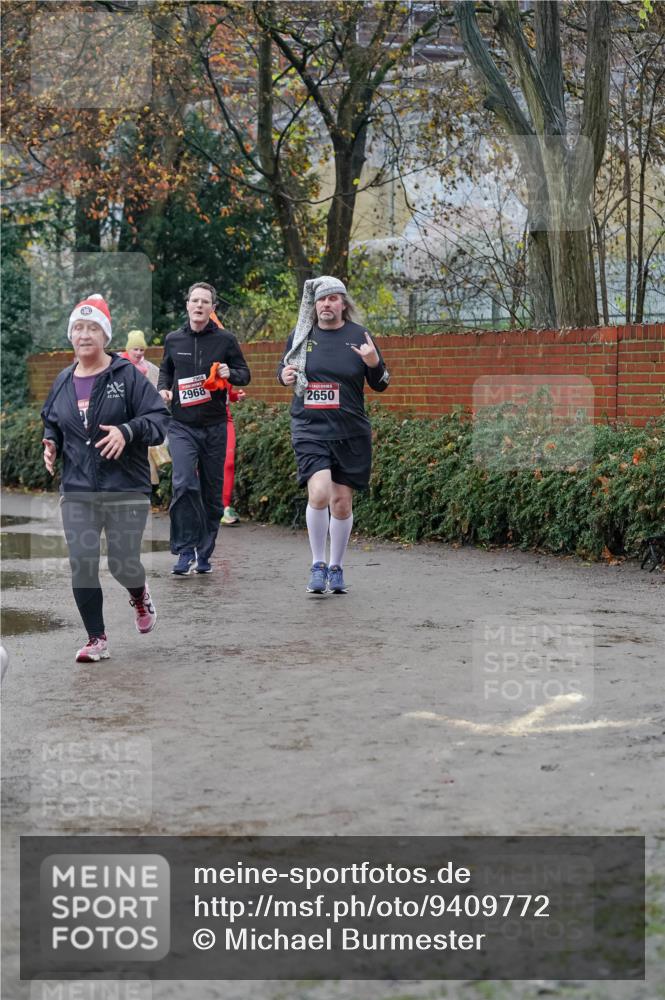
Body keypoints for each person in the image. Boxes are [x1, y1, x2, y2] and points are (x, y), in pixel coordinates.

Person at [41, 294, 170, 662]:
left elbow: (160, 421)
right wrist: (50, 443)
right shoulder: (64, 380)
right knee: (82, 562)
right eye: (78, 328)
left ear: (105, 336)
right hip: (78, 488)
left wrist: (127, 432)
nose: (85, 334)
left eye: (93, 328)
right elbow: (52, 420)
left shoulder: (126, 375)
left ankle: (139, 592)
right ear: (70, 335)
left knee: (121, 562)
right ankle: (96, 639)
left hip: (125, 486)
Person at [277, 276, 390, 594]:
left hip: (350, 430)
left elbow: (381, 382)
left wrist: (373, 362)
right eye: (321, 300)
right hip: (309, 427)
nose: (326, 304)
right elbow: (283, 369)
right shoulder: (301, 335)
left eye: (333, 299)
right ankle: (317, 563)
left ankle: (336, 566)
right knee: (320, 493)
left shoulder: (358, 336)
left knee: (341, 502)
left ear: (343, 304)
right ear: (314, 305)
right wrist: (283, 376)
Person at [157, 282, 250, 574]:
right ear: (187, 305)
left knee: (212, 493)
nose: (199, 306)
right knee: (184, 483)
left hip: (214, 426)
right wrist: (164, 389)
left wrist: (229, 372)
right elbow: (166, 369)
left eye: (205, 302)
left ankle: (204, 553)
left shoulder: (225, 340)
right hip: (182, 425)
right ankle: (184, 551)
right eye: (194, 300)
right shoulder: (173, 339)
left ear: (212, 308)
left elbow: (244, 374)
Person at [121, 329, 170, 496]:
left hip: (142, 419)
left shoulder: (148, 368)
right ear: (128, 349)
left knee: (144, 455)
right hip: (123, 419)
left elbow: (159, 386)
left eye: (141, 350)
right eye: (135, 349)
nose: (139, 353)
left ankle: (146, 489)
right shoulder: (119, 365)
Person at [209, 310, 246, 526]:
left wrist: (234, 395)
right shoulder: (196, 358)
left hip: (225, 419)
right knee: (201, 465)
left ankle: (224, 507)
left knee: (228, 462)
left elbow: (228, 389)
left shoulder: (226, 362)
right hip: (199, 421)